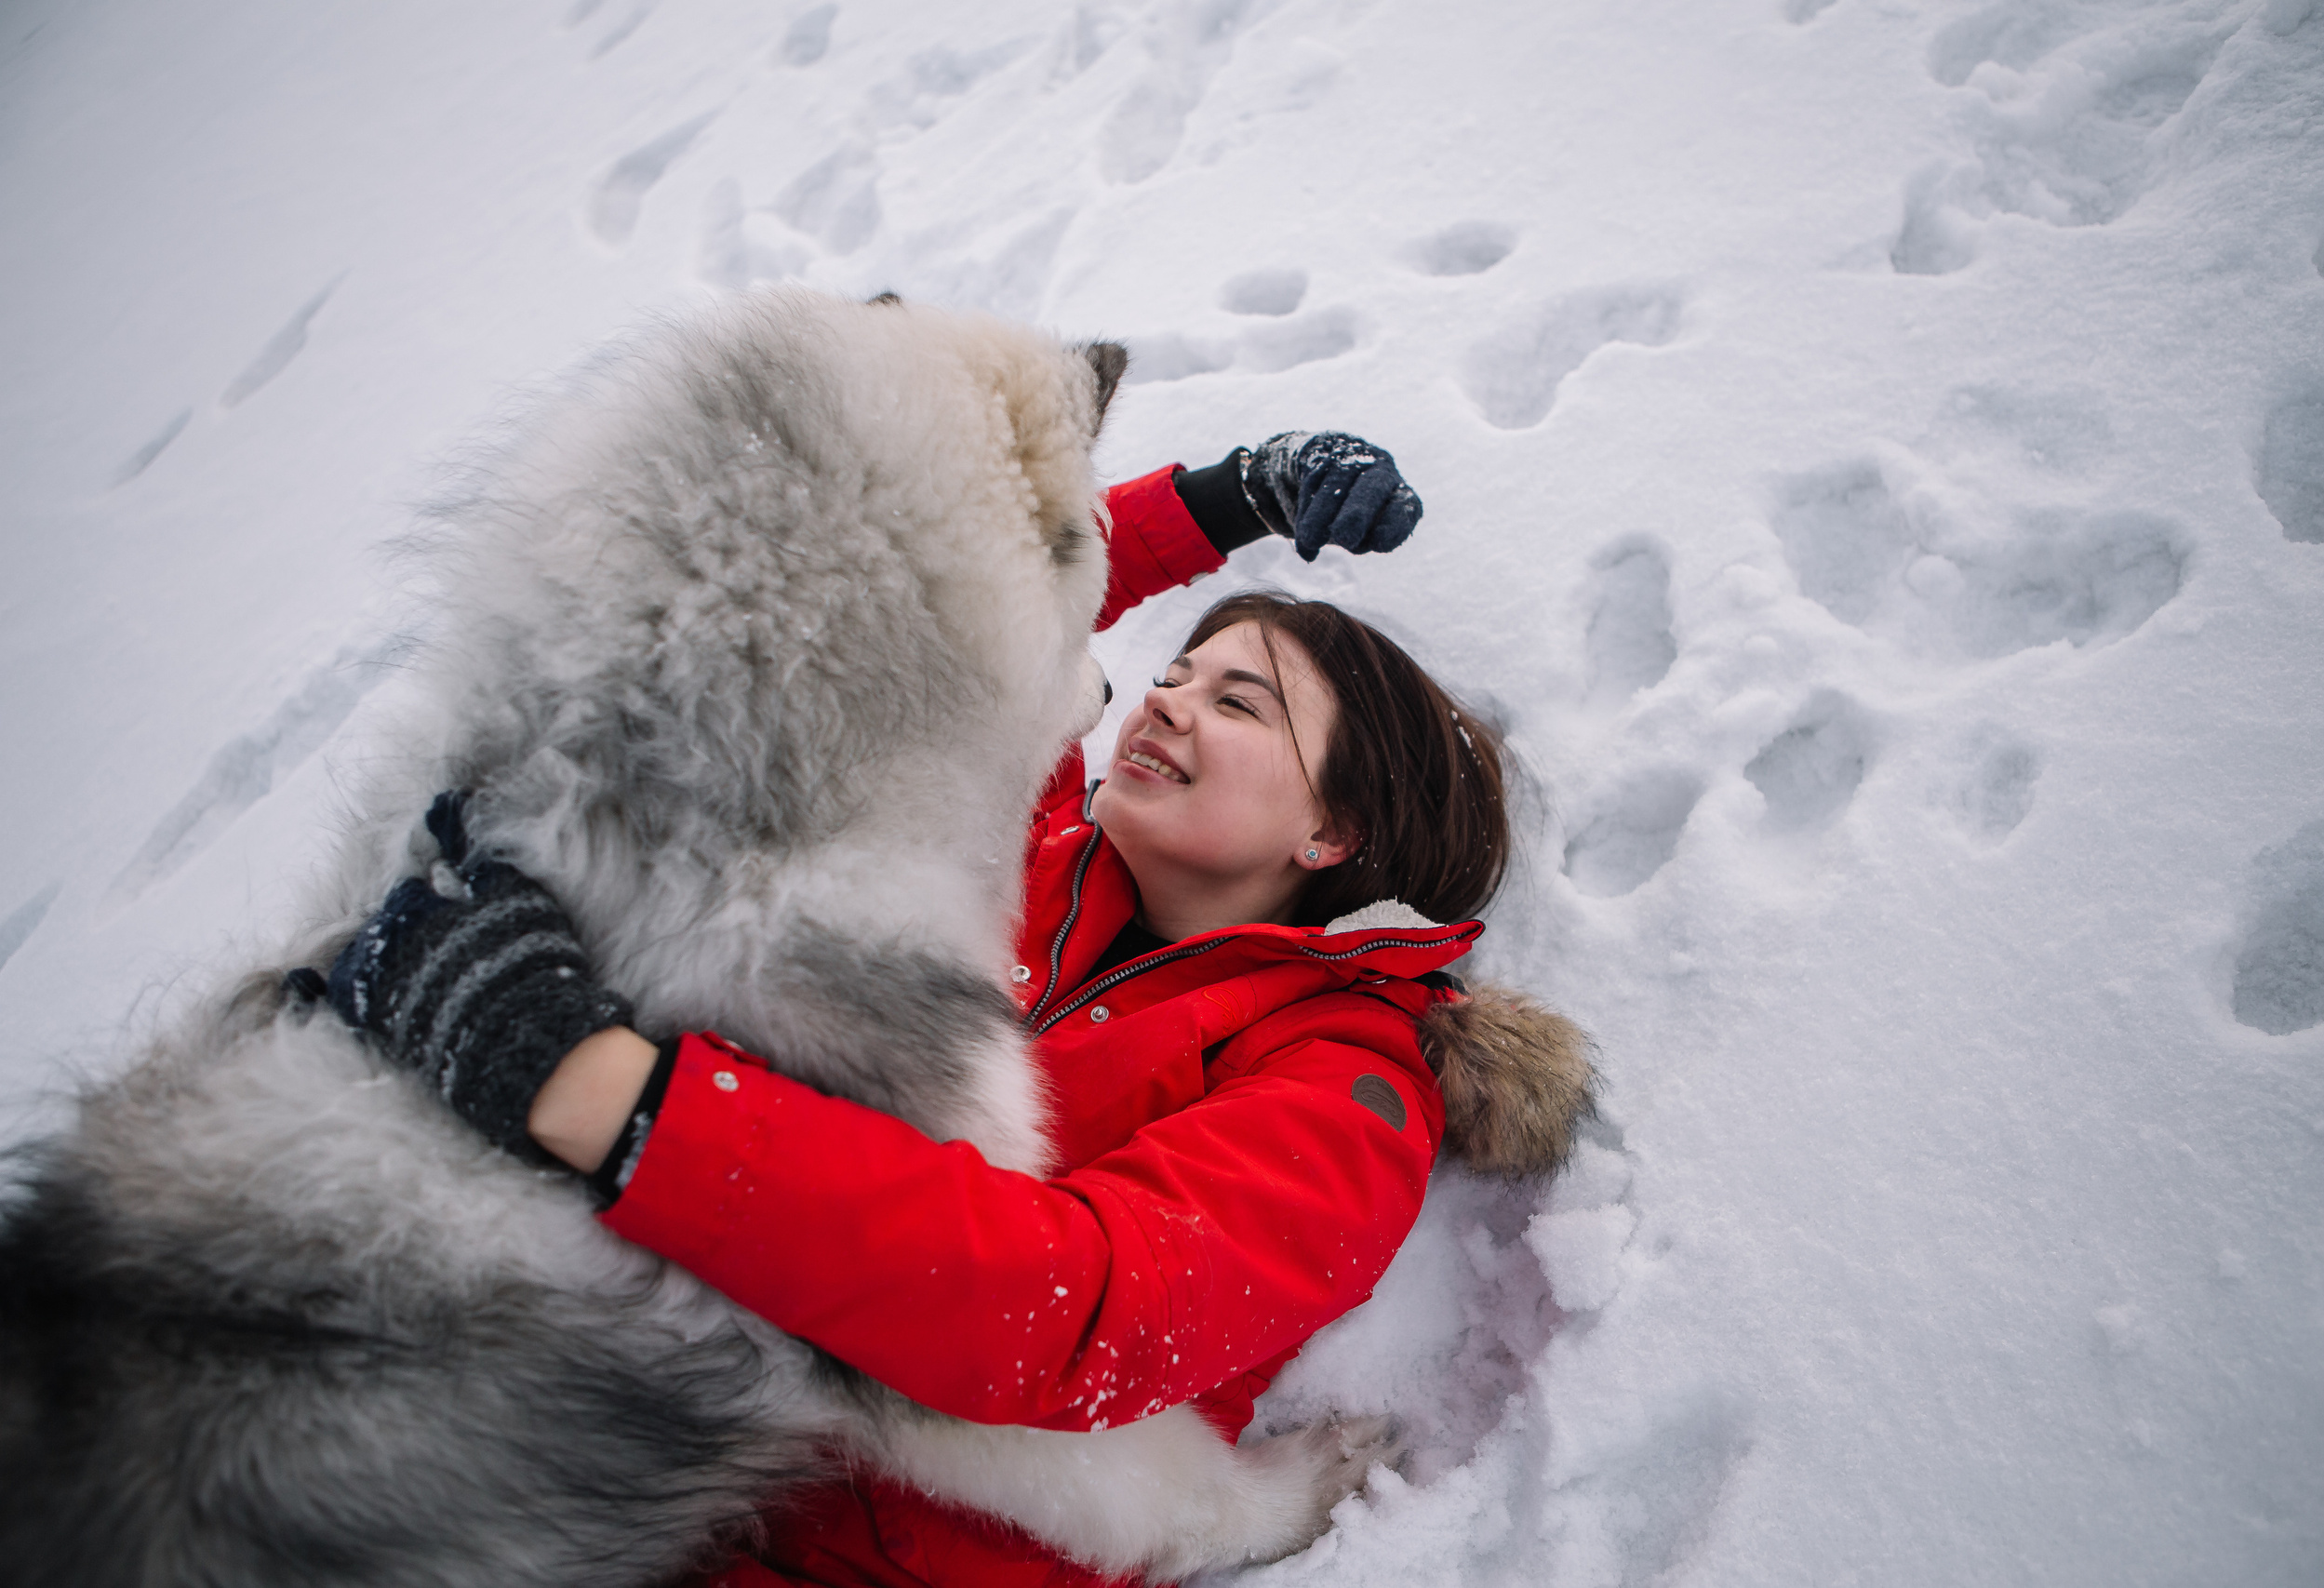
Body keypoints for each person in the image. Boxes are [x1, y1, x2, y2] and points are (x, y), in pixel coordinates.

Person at [325, 432, 1595, 1587]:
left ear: (1336, 831)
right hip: (570, 1446)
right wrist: (1226, 501)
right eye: (1182, 673)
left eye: (1236, 702)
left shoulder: (1348, 1086)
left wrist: (602, 1097)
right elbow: (961, 617)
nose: (1162, 698)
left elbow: (1082, 1307)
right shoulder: (1028, 842)